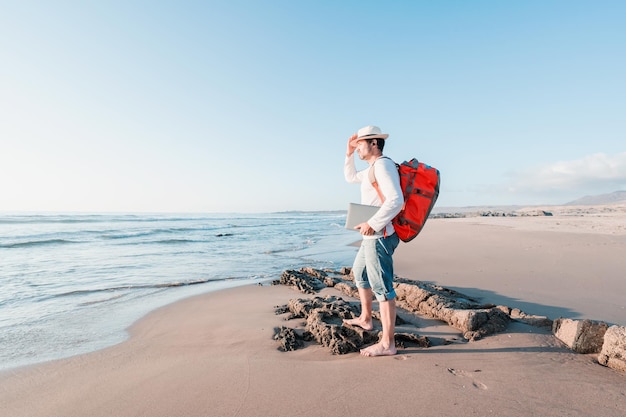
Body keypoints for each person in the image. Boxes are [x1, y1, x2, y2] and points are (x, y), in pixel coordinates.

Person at [343, 125, 403, 357]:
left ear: (375, 143)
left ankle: (388, 344)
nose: (358, 148)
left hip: (380, 235)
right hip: (373, 234)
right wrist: (348, 153)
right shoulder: (371, 169)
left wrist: (373, 224)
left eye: (361, 144)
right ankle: (366, 319)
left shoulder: (383, 165)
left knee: (382, 287)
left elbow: (395, 200)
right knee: (360, 274)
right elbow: (349, 177)